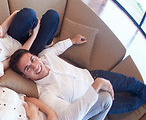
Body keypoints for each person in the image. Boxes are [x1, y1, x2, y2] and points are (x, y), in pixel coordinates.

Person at [10, 34, 146, 115]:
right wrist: (95, 89)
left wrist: (72, 41)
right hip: (96, 102)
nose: (35, 66)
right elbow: (70, 117)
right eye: (28, 68)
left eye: (32, 59)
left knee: (131, 83)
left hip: (93, 75)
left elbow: (57, 48)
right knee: (132, 103)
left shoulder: (45, 55)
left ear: (35, 55)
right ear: (25, 76)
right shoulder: (46, 94)